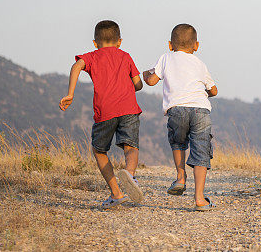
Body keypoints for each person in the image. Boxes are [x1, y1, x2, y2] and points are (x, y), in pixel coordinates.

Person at [58, 20, 144, 208]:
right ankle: (129, 175)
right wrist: (132, 85)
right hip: (128, 108)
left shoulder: (92, 56)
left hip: (105, 111)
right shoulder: (125, 56)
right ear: (119, 41)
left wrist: (70, 93)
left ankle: (116, 193)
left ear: (95, 43)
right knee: (130, 146)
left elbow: (76, 66)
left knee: (99, 150)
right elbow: (138, 84)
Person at [143, 23, 217, 212]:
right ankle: (200, 199)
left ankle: (180, 177)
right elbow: (214, 90)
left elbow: (152, 81)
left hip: (176, 109)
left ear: (170, 45)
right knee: (200, 151)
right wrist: (202, 92)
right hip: (200, 110)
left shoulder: (166, 57)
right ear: (196, 45)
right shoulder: (200, 63)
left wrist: (145, 74)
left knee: (178, 142)